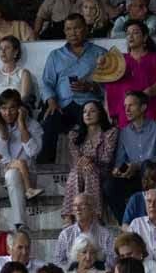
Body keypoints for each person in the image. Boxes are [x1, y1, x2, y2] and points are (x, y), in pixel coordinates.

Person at [39, 15, 106, 165]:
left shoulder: (100, 53)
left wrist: (90, 87)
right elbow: (46, 83)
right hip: (63, 105)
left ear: (86, 29)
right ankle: (45, 169)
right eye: (68, 29)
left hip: (90, 104)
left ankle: (95, 167)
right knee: (49, 122)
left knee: (93, 122)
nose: (72, 33)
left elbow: (109, 86)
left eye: (77, 28)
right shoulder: (55, 55)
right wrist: (51, 101)